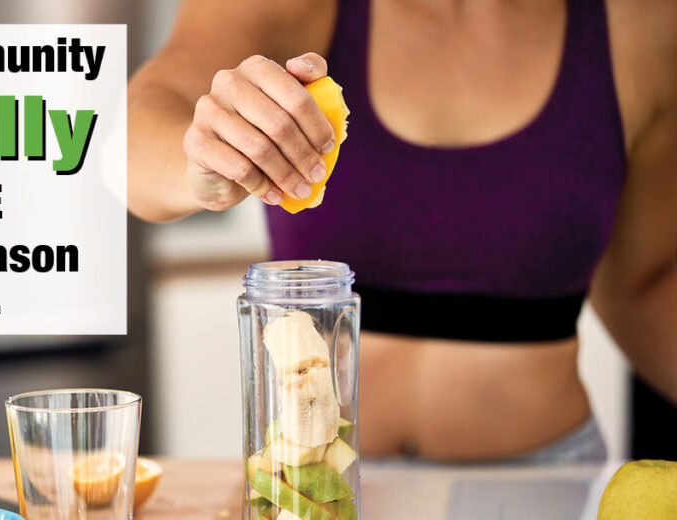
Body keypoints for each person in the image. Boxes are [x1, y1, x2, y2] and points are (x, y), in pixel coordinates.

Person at [127, 0, 676, 462]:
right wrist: (199, 168)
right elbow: (131, 140)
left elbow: (644, 284)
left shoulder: (642, 23)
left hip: (551, 485)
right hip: (316, 487)